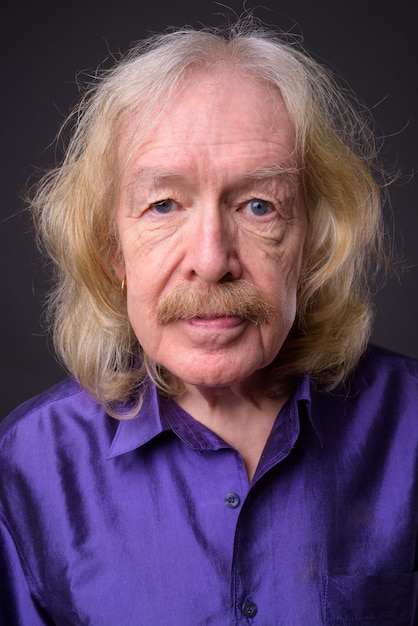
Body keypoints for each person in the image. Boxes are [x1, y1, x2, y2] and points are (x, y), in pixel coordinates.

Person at [0, 20, 417, 625]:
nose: (211, 260)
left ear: (312, 244)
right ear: (113, 250)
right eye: (163, 205)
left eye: (258, 206)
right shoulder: (27, 469)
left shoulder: (410, 427)